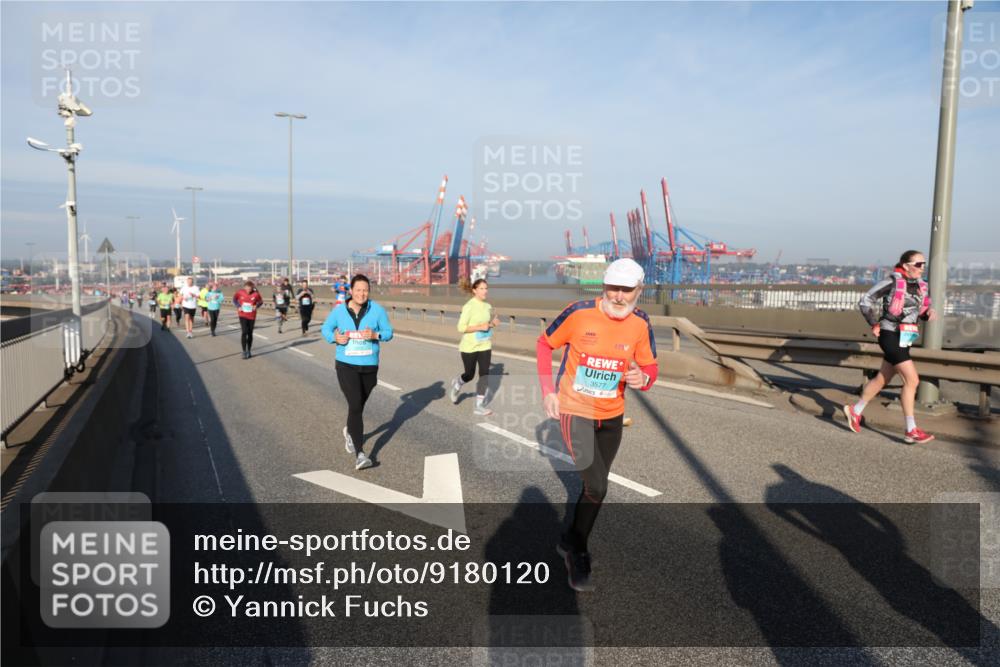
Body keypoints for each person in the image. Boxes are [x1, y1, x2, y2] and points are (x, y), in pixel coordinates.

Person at [536, 258, 658, 591]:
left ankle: (568, 537)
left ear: (639, 290)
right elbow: (544, 343)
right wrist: (549, 392)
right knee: (598, 487)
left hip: (613, 414)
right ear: (603, 286)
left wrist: (642, 378)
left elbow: (650, 366)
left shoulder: (640, 324)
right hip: (576, 409)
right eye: (613, 288)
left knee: (594, 488)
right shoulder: (579, 313)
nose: (618, 296)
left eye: (626, 290)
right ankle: (578, 552)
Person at [844, 250, 938, 444]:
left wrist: (927, 313)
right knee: (912, 380)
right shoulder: (892, 282)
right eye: (919, 264)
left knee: (881, 379)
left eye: (924, 264)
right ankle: (911, 429)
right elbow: (865, 301)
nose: (923, 268)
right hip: (890, 335)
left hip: (905, 337)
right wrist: (874, 323)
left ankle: (856, 410)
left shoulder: (920, 286)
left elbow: (916, 312)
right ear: (906, 265)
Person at [321, 274, 393, 471]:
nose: (362, 293)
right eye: (358, 289)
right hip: (346, 365)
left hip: (369, 366)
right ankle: (361, 454)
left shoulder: (377, 310)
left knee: (357, 407)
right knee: (354, 404)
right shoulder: (339, 311)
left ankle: (350, 431)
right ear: (350, 291)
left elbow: (389, 332)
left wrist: (376, 334)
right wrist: (334, 337)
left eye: (365, 290)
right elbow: (326, 328)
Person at [449, 278, 500, 416]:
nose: (485, 291)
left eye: (486, 288)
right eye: (482, 288)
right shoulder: (469, 306)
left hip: (484, 344)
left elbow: (486, 325)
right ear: (474, 290)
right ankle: (457, 383)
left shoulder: (487, 306)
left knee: (484, 374)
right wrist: (480, 327)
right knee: (469, 374)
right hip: (469, 346)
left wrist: (492, 324)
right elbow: (461, 327)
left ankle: (479, 406)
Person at [234, 280, 263, 358]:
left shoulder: (256, 294)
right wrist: (238, 306)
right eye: (246, 289)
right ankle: (244, 351)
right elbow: (234, 299)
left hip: (252, 315)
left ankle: (249, 350)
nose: (248, 291)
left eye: (249, 289)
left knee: (250, 333)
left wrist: (256, 306)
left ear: (252, 288)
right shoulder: (240, 292)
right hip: (242, 315)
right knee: (244, 332)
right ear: (244, 287)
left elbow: (261, 302)